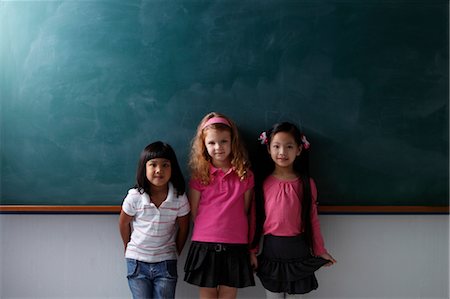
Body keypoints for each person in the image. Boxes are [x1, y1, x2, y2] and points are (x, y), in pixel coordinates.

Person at [251, 122, 336, 299]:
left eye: (289, 146)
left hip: (299, 253)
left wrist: (320, 250)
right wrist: (252, 251)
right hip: (271, 252)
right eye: (276, 146)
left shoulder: (306, 184)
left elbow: (312, 219)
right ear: (268, 148)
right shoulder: (262, 184)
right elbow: (255, 219)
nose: (282, 152)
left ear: (299, 149)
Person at [184, 112, 256, 299]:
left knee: (228, 293)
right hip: (205, 242)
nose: (218, 147)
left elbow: (246, 209)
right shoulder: (200, 175)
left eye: (224, 141)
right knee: (207, 292)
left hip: (236, 242)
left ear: (233, 141)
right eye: (212, 143)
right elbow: (194, 210)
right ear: (204, 145)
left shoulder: (245, 175)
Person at [119, 141, 190, 299]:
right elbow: (124, 223)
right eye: (153, 165)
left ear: (173, 168)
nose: (159, 170)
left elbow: (184, 227)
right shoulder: (135, 196)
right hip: (137, 261)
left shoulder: (179, 197)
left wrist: (175, 251)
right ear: (144, 168)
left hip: (165, 262)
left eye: (165, 165)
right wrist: (128, 247)